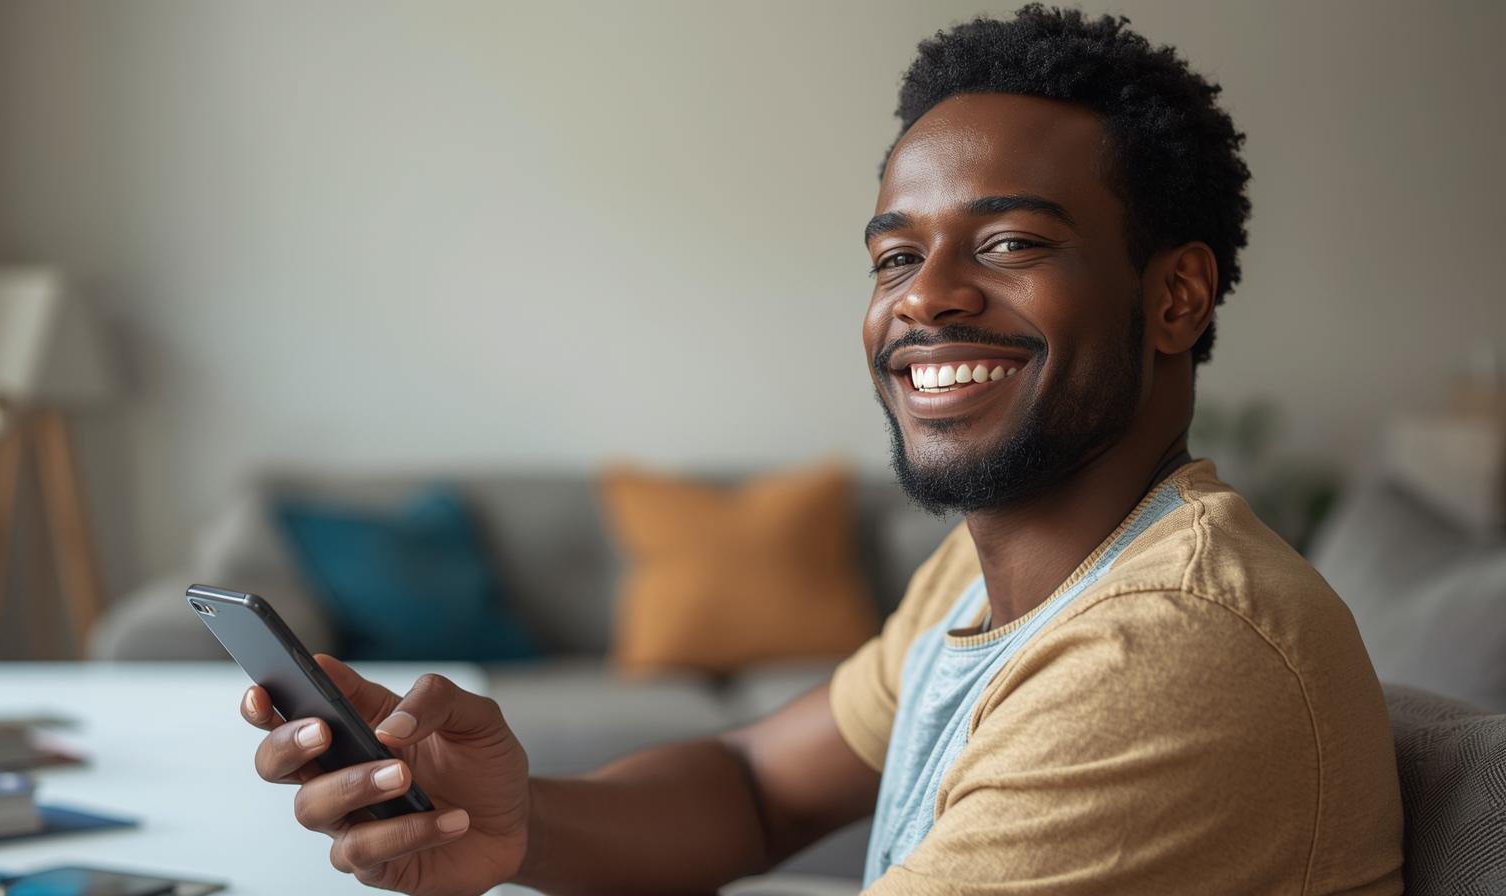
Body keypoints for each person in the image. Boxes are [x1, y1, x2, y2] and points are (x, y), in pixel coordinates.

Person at [239, 5, 1404, 893]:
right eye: (895, 257)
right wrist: (507, 820)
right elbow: (752, 787)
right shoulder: (1000, 571)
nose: (927, 299)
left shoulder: (1165, 647)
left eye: (1006, 241)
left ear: (1175, 297)